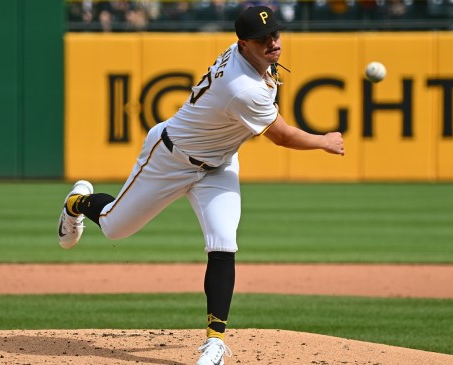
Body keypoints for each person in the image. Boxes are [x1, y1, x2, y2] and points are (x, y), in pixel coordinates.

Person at [57, 5, 344, 365]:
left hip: (218, 165)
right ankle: (78, 202)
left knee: (223, 242)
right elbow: (283, 137)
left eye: (275, 34)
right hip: (171, 158)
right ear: (243, 44)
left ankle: (215, 343)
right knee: (115, 227)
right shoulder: (241, 88)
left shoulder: (250, 60)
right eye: (262, 39)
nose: (273, 43)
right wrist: (324, 141)